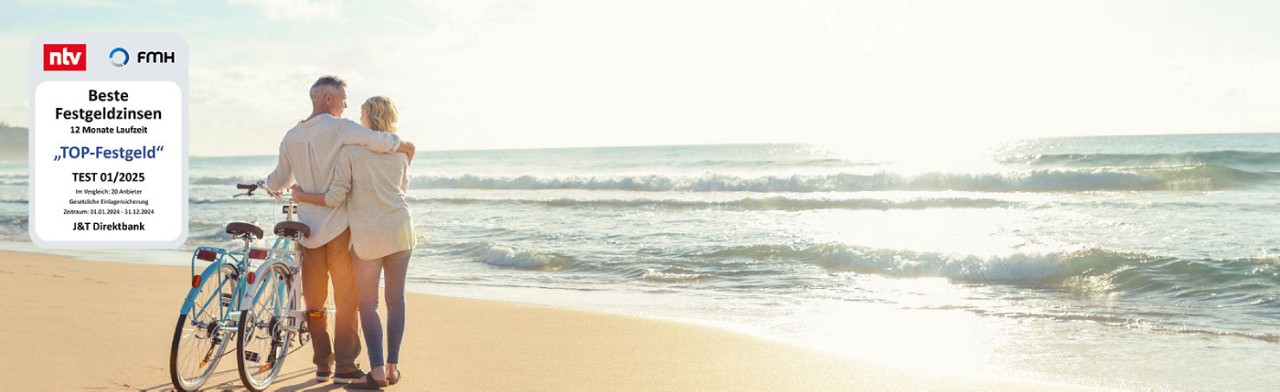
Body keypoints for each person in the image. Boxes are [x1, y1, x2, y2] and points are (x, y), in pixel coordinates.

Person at [263, 76, 415, 384]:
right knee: (348, 300)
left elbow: (278, 179)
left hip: (308, 230)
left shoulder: (291, 136)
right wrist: (406, 148)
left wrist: (271, 187)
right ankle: (346, 364)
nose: (346, 105)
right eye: (343, 99)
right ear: (328, 99)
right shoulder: (342, 128)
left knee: (315, 301)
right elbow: (382, 141)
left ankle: (322, 363)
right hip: (341, 229)